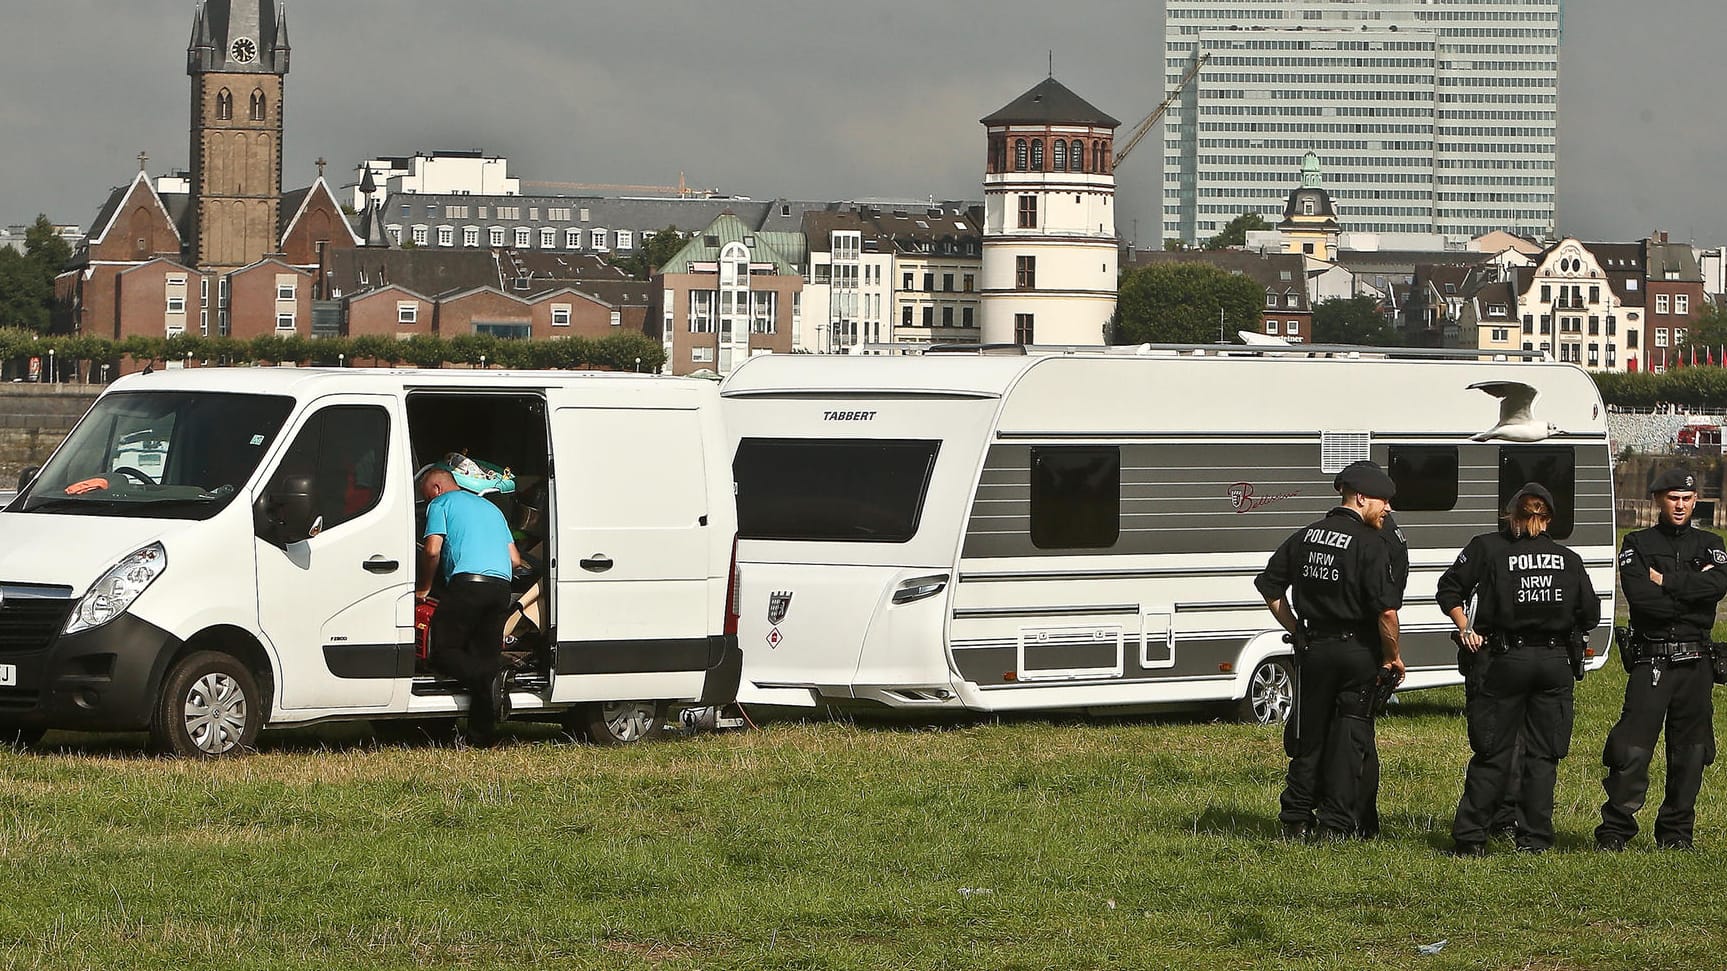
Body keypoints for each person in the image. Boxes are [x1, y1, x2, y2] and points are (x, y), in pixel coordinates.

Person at [1441, 483, 1598, 855]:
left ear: (1515, 516)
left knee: (1493, 751)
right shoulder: (1570, 560)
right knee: (1543, 756)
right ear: (1547, 521)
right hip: (1554, 663)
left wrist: (1476, 630)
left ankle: (1470, 838)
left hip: (1507, 660)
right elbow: (1590, 613)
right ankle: (1535, 840)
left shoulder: (1500, 561)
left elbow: (1489, 613)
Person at [1256, 460, 1407, 840]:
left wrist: (1297, 630)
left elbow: (1270, 588)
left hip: (1314, 650)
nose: (1387, 509)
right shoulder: (1371, 544)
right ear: (1359, 498)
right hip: (1357, 651)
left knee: (1308, 736)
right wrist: (1392, 656)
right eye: (1382, 502)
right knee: (1349, 738)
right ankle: (1336, 825)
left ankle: (1295, 819)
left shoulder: (1305, 537)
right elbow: (1386, 611)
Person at [1597, 468, 1727, 851]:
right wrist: (1690, 589)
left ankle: (1676, 834)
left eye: (1687, 498)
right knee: (1630, 750)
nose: (1681, 505)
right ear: (1658, 499)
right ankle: (1615, 831)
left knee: (1692, 753)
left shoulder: (1711, 542)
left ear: (1695, 500)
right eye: (1673, 498)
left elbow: (1717, 587)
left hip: (1697, 664)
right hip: (1651, 660)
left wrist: (1666, 581)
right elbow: (1640, 599)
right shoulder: (1637, 542)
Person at [1435, 495, 1532, 841]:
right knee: (1490, 743)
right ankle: (1481, 819)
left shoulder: (1546, 553)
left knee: (1523, 745)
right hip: (1489, 657)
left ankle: (1507, 818)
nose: (1526, 522)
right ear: (1509, 514)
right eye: (1522, 514)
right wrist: (1465, 628)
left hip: (1528, 661)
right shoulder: (1485, 547)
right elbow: (1449, 588)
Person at [416, 466, 524, 745]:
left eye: (425, 495)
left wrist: (425, 587)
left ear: (436, 489)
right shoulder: (492, 510)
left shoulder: (441, 503)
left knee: (442, 651)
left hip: (468, 585)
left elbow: (432, 550)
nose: (426, 502)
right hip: (501, 587)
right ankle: (480, 738)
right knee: (482, 658)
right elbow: (515, 559)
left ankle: (492, 675)